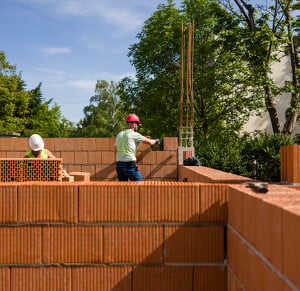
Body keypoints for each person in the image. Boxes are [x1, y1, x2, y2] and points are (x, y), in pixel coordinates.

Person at [115, 114, 159, 181]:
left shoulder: (120, 134)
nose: (137, 126)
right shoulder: (134, 134)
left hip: (119, 164)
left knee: (122, 187)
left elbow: (115, 148)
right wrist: (156, 141)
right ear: (134, 124)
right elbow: (150, 142)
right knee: (139, 185)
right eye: (137, 124)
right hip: (129, 163)